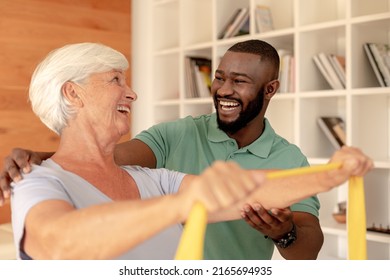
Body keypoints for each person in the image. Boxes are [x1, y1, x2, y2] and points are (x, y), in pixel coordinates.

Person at [0, 40, 372, 260]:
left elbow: (248, 191)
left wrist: (333, 174)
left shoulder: (152, 179)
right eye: (116, 80)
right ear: (72, 92)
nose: (132, 92)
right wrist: (181, 206)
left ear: (270, 89)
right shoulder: (37, 182)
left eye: (239, 81)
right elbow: (59, 242)